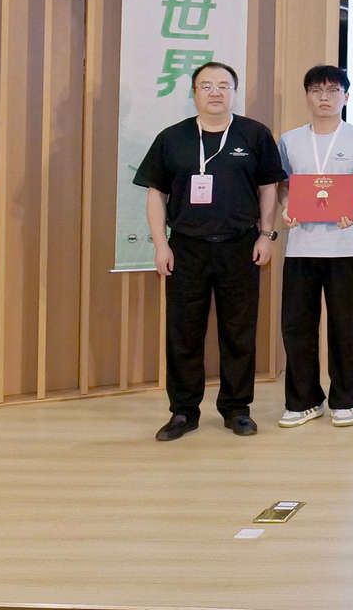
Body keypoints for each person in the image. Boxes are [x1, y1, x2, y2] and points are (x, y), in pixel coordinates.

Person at [134, 61, 286, 441]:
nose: (215, 92)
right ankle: (183, 411)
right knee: (183, 332)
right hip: (186, 248)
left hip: (240, 247)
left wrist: (266, 235)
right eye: (206, 86)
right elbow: (156, 193)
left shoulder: (254, 135)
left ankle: (237, 409)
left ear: (234, 92)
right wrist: (161, 244)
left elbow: (269, 187)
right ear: (194, 93)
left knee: (239, 331)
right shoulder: (173, 138)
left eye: (223, 85)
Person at [276, 65, 353, 429]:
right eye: (317, 90)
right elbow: (284, 186)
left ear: (346, 97)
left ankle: (346, 400)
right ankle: (304, 400)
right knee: (296, 326)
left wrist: (352, 206)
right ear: (306, 96)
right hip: (301, 247)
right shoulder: (290, 140)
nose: (324, 97)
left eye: (333, 90)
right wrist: (286, 207)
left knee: (345, 326)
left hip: (345, 247)